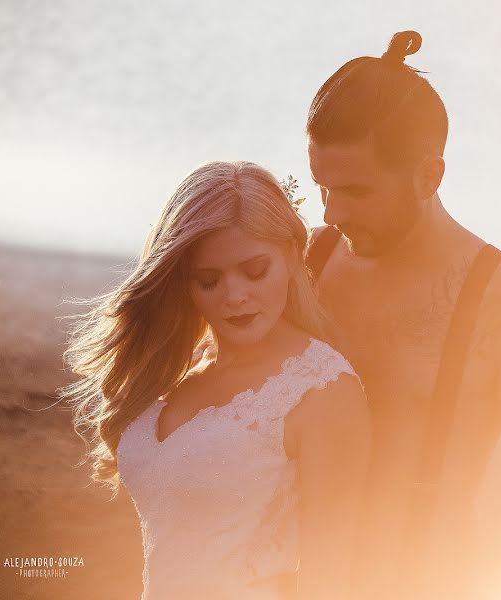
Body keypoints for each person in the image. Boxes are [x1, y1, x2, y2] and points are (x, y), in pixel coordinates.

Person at [304, 31, 501, 599]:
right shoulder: (309, 261)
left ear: (430, 176)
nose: (333, 212)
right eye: (322, 187)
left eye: (356, 191)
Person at [61, 161, 371, 599]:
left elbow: (332, 577)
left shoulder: (322, 390)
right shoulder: (178, 370)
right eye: (208, 280)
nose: (235, 295)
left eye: (254, 270)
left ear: (290, 254)